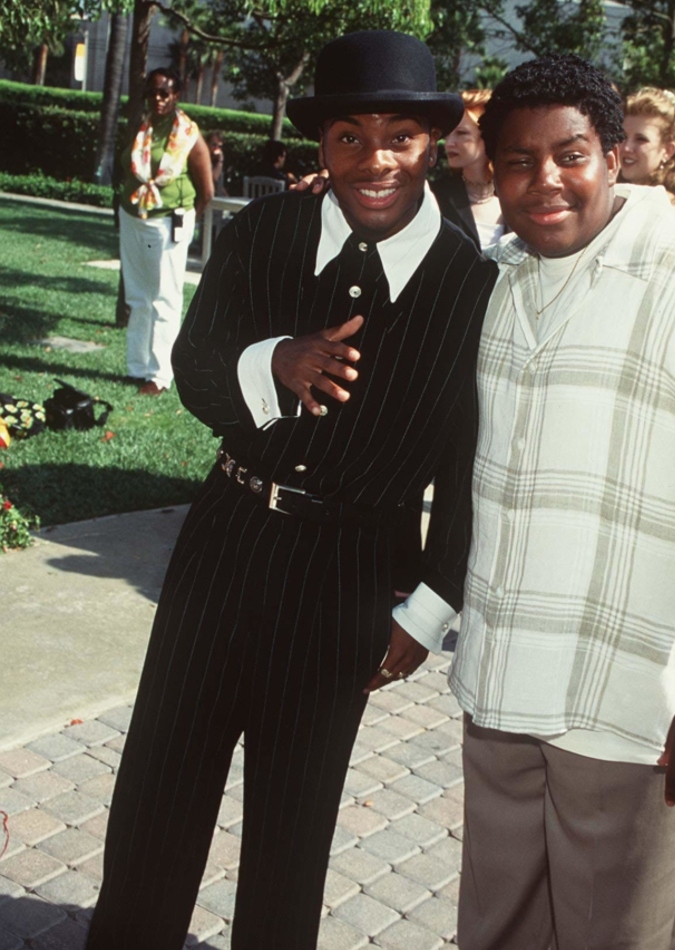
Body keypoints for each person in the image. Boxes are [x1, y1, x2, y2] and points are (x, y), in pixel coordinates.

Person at [85, 30, 497, 950]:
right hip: (224, 542)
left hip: (347, 577)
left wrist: (429, 606)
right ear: (322, 145)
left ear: (433, 143)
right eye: (349, 136)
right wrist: (276, 362)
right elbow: (192, 367)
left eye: (399, 136)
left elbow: (472, 466)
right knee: (159, 788)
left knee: (293, 825)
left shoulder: (471, 287)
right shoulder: (263, 231)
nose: (374, 159)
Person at [446, 53, 675, 949]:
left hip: (639, 719)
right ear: (491, 167)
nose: (545, 181)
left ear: (614, 154)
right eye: (518, 161)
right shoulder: (497, 281)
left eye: (570, 154)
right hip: (502, 694)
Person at [118, 68, 213, 396]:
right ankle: (137, 366)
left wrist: (185, 220)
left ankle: (159, 375)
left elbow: (207, 192)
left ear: (176, 95)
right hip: (134, 217)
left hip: (168, 222)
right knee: (138, 295)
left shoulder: (189, 135)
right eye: (153, 93)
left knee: (164, 298)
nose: (158, 99)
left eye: (165, 93)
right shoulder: (142, 127)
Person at [433, 89, 505, 250]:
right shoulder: (435, 196)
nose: (449, 142)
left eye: (461, 133)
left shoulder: (515, 195)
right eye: (449, 134)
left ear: (488, 138)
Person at [621, 85, 675, 219]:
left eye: (641, 139)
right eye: (622, 137)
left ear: (668, 151)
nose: (626, 147)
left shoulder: (664, 208)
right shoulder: (617, 193)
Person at [208, 130, 228, 197]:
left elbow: (219, 185)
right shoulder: (206, 159)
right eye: (214, 145)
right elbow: (214, 179)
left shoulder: (216, 160)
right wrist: (220, 160)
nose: (217, 148)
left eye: (219, 146)